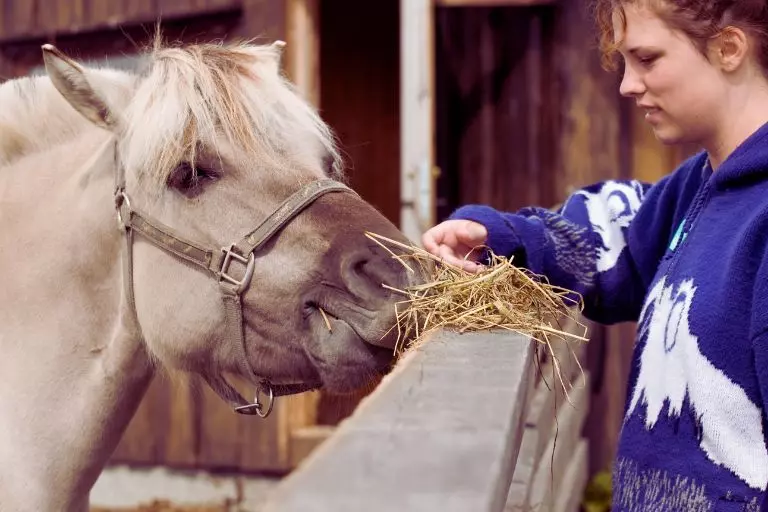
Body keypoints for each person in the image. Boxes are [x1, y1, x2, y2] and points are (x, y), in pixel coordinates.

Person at [423, 0, 768, 509]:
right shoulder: (698, 189)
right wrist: (501, 236)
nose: (628, 84)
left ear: (729, 49)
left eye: (647, 59)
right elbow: (616, 240)